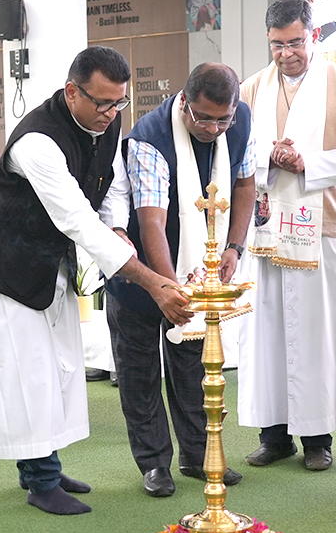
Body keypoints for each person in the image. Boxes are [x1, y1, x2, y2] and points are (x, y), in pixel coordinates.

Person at [0, 46, 191, 515]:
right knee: (29, 377)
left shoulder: (106, 120)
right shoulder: (36, 142)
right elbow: (75, 217)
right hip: (4, 267)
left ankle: (44, 468)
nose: (111, 113)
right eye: (102, 103)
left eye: (119, 102)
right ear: (72, 92)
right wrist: (151, 281)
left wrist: (117, 225)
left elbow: (112, 182)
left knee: (57, 370)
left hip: (49, 263)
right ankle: (41, 482)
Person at [105, 63, 255, 497]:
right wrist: (170, 289)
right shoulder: (150, 137)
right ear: (184, 102)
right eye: (204, 118)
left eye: (223, 119)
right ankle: (154, 462)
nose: (213, 128)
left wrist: (233, 247)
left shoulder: (242, 120)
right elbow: (152, 219)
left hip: (199, 263)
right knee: (139, 369)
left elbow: (244, 186)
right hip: (140, 271)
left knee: (193, 365)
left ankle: (197, 454)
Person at [237, 0, 336, 472]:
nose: (286, 53)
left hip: (322, 225)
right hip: (267, 227)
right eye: (277, 45)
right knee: (268, 333)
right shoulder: (252, 88)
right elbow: (236, 153)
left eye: (295, 42)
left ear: (312, 35)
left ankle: (317, 438)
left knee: (316, 333)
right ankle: (273, 435)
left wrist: (306, 163)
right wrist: (269, 158)